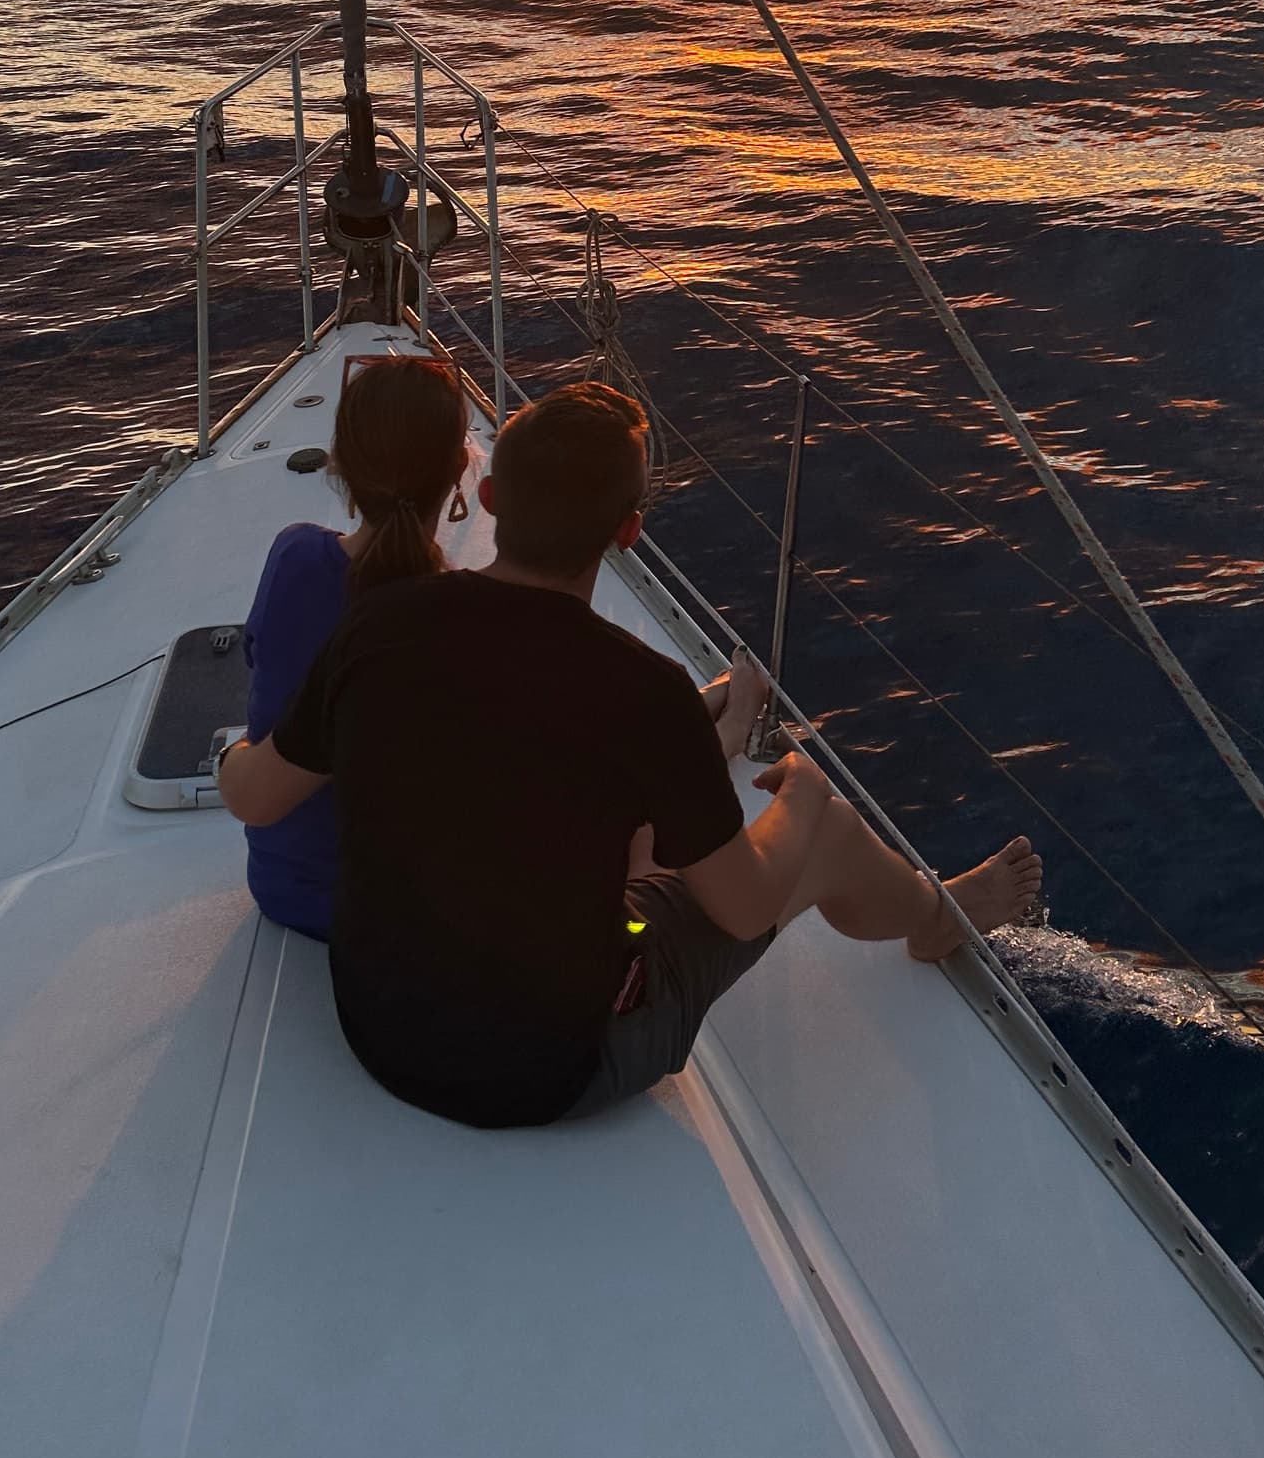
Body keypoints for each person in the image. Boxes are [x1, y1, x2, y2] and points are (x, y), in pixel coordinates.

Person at [224, 381, 1043, 1129]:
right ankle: (942, 920)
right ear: (629, 530)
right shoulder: (642, 689)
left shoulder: (379, 624)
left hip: (377, 1028)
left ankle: (904, 895)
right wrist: (799, 791)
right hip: (549, 1071)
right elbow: (745, 909)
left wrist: (231, 751)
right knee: (820, 824)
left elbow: (268, 793)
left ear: (491, 497)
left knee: (606, 832)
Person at [219, 351, 469, 939]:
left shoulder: (295, 557)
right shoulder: (460, 614)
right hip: (402, 913)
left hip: (288, 890)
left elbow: (262, 661)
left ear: (342, 466)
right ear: (460, 467)